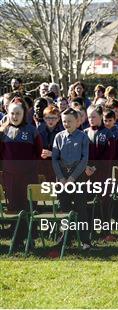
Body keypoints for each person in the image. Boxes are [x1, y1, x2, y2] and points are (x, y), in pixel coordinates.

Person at [0, 100, 43, 251]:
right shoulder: (3, 131)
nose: (15, 116)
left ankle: (29, 239)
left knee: (28, 208)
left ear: (24, 114)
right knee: (14, 208)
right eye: (12, 113)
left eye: (18, 113)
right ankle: (17, 240)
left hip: (28, 176)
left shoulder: (32, 130)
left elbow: (38, 152)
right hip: (10, 177)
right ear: (8, 113)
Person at [51, 108, 91, 255]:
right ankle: (64, 239)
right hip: (61, 177)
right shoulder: (58, 137)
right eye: (64, 121)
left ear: (77, 121)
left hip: (78, 176)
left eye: (69, 121)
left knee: (81, 209)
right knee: (64, 209)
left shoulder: (83, 137)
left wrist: (73, 178)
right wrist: (61, 178)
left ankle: (85, 240)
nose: (66, 124)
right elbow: (54, 159)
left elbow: (84, 159)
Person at [84, 105, 115, 241]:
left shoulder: (108, 133)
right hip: (86, 173)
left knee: (104, 201)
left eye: (94, 116)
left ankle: (106, 231)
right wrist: (85, 167)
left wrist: (94, 168)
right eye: (89, 116)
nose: (91, 119)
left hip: (102, 173)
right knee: (89, 201)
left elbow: (108, 155)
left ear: (101, 116)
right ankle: (91, 229)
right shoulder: (84, 133)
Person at [38, 105, 63, 181]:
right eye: (48, 118)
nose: (51, 121)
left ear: (58, 119)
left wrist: (52, 154)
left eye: (54, 118)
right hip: (44, 166)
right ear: (44, 118)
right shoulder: (40, 130)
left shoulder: (62, 132)